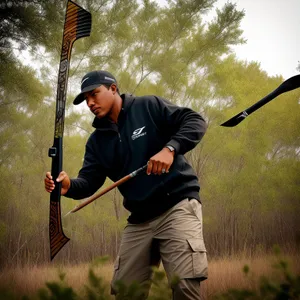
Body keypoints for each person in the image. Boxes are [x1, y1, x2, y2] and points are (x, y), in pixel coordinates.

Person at [45, 70, 208, 299]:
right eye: (86, 100)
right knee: (125, 293)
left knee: (185, 287)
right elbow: (89, 182)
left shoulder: (147, 106)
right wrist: (68, 186)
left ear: (113, 89)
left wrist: (170, 149)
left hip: (177, 207)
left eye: (94, 94)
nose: (90, 103)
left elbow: (195, 121)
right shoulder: (96, 142)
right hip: (139, 220)